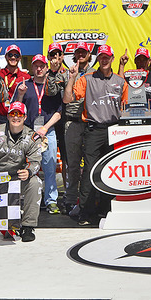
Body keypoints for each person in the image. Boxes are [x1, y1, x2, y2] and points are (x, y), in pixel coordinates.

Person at [63, 44, 127, 225]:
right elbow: (67, 99)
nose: (105, 60)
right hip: (93, 129)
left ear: (112, 59)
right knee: (90, 171)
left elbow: (128, 107)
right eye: (102, 57)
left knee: (112, 170)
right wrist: (72, 78)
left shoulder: (120, 81)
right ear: (97, 59)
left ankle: (107, 209)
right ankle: (85, 212)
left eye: (108, 57)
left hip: (115, 130)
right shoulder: (87, 79)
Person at [0, 101, 43, 242]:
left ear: (25, 117)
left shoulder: (33, 137)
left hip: (17, 178)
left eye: (19, 114)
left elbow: (36, 161)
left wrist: (29, 171)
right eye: (13, 113)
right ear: (7, 116)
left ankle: (28, 226)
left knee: (35, 182)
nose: (16, 117)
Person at [16, 54, 63, 215]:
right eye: (36, 65)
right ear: (32, 67)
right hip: (28, 132)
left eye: (42, 65)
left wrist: (45, 128)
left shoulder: (53, 86)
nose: (39, 68)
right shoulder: (24, 85)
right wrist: (21, 94)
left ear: (46, 67)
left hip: (47, 131)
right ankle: (27, 198)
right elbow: (16, 110)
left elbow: (58, 113)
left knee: (50, 167)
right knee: (27, 167)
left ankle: (51, 200)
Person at [60, 41, 93, 216]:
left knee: (90, 164)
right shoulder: (67, 73)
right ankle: (71, 198)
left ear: (89, 54)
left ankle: (89, 199)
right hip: (71, 122)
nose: (81, 55)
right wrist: (71, 76)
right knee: (72, 165)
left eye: (84, 52)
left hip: (90, 123)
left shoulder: (95, 74)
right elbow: (60, 96)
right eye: (78, 52)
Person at [44, 43, 68, 187]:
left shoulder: (68, 72)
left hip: (65, 119)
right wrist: (52, 72)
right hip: (49, 120)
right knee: (48, 158)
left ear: (63, 56)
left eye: (58, 54)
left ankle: (68, 193)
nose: (55, 58)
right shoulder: (45, 73)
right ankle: (47, 194)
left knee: (67, 158)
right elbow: (50, 92)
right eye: (52, 55)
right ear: (48, 57)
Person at [124, 47, 151, 122]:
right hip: (131, 120)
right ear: (135, 61)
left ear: (148, 61)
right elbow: (120, 86)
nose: (141, 62)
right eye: (139, 60)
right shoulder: (128, 77)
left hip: (150, 121)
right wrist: (122, 65)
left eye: (144, 60)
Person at [0, 44, 31, 123]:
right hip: (0, 118)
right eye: (10, 55)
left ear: (20, 58)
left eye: (16, 55)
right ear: (6, 57)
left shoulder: (26, 77)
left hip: (18, 117)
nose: (13, 57)